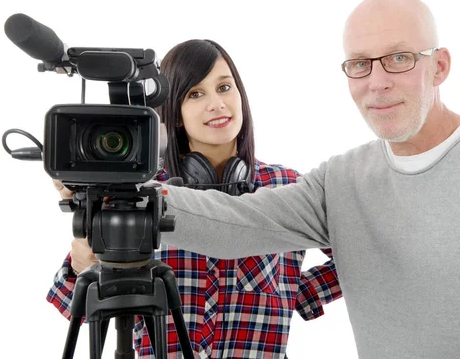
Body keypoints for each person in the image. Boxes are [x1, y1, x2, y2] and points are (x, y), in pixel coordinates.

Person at [157, 0, 460, 358]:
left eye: (398, 59)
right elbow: (233, 224)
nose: (377, 82)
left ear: (439, 67)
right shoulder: (340, 181)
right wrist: (122, 196)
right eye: (360, 64)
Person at [47, 39, 342, 359]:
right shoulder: (143, 195)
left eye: (225, 87)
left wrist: (300, 293)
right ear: (174, 114)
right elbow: (68, 298)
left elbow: (358, 249)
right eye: (195, 94)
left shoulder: (286, 187)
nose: (216, 104)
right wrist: (81, 264)